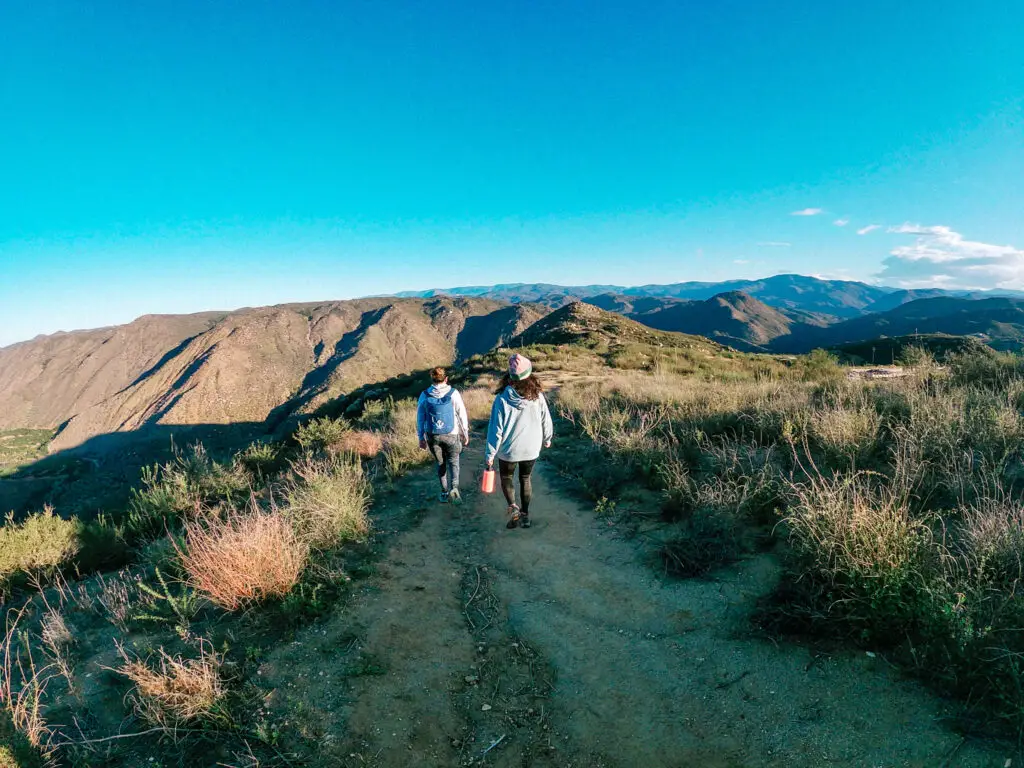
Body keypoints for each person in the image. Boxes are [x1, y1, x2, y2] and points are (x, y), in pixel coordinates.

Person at [485, 354, 553, 529]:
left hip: (509, 450)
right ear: (529, 374)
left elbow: (495, 430)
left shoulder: (501, 399)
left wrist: (490, 454)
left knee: (507, 477)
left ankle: (513, 508)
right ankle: (525, 515)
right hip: (531, 448)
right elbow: (546, 419)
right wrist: (547, 438)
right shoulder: (537, 396)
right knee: (525, 478)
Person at [417, 367, 470, 503]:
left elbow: (420, 417)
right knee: (454, 461)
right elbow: (461, 414)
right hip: (451, 434)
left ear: (432, 379)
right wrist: (465, 432)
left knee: (441, 463)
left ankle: (444, 493)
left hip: (433, 435)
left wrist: (421, 437)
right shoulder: (454, 393)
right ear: (446, 379)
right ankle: (455, 489)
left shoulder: (425, 394)